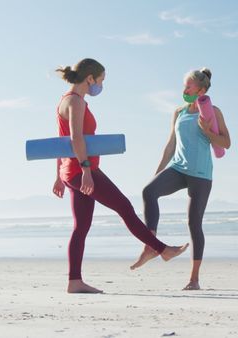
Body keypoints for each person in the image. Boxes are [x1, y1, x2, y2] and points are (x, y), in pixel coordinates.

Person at [51, 58, 188, 294]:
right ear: (90, 78)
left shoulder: (69, 100)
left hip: (70, 171)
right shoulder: (76, 102)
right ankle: (161, 249)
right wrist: (85, 171)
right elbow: (74, 139)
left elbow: (60, 143)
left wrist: (58, 176)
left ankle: (74, 281)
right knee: (124, 206)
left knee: (81, 227)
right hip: (82, 171)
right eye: (101, 80)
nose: (101, 86)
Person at [130, 68, 231, 291]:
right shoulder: (179, 112)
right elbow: (170, 145)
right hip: (178, 168)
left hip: (201, 174)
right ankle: (151, 246)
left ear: (201, 90)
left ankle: (194, 279)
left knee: (194, 224)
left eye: (188, 86)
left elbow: (226, 143)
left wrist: (207, 131)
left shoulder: (213, 112)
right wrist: (158, 172)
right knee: (149, 191)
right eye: (184, 86)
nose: (184, 90)